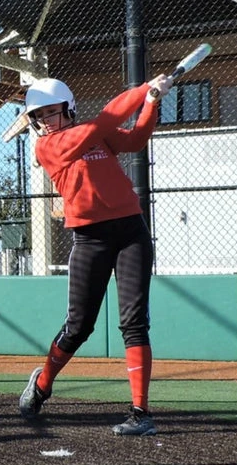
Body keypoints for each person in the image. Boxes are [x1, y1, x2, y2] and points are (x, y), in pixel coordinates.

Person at [17, 71, 174, 436]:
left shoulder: (92, 131)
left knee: (134, 323)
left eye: (49, 112)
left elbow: (135, 139)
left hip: (131, 231)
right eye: (37, 116)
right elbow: (107, 119)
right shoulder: (48, 147)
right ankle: (42, 385)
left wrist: (151, 102)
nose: (43, 121)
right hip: (90, 239)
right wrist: (142, 90)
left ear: (68, 108)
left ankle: (141, 413)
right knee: (79, 327)